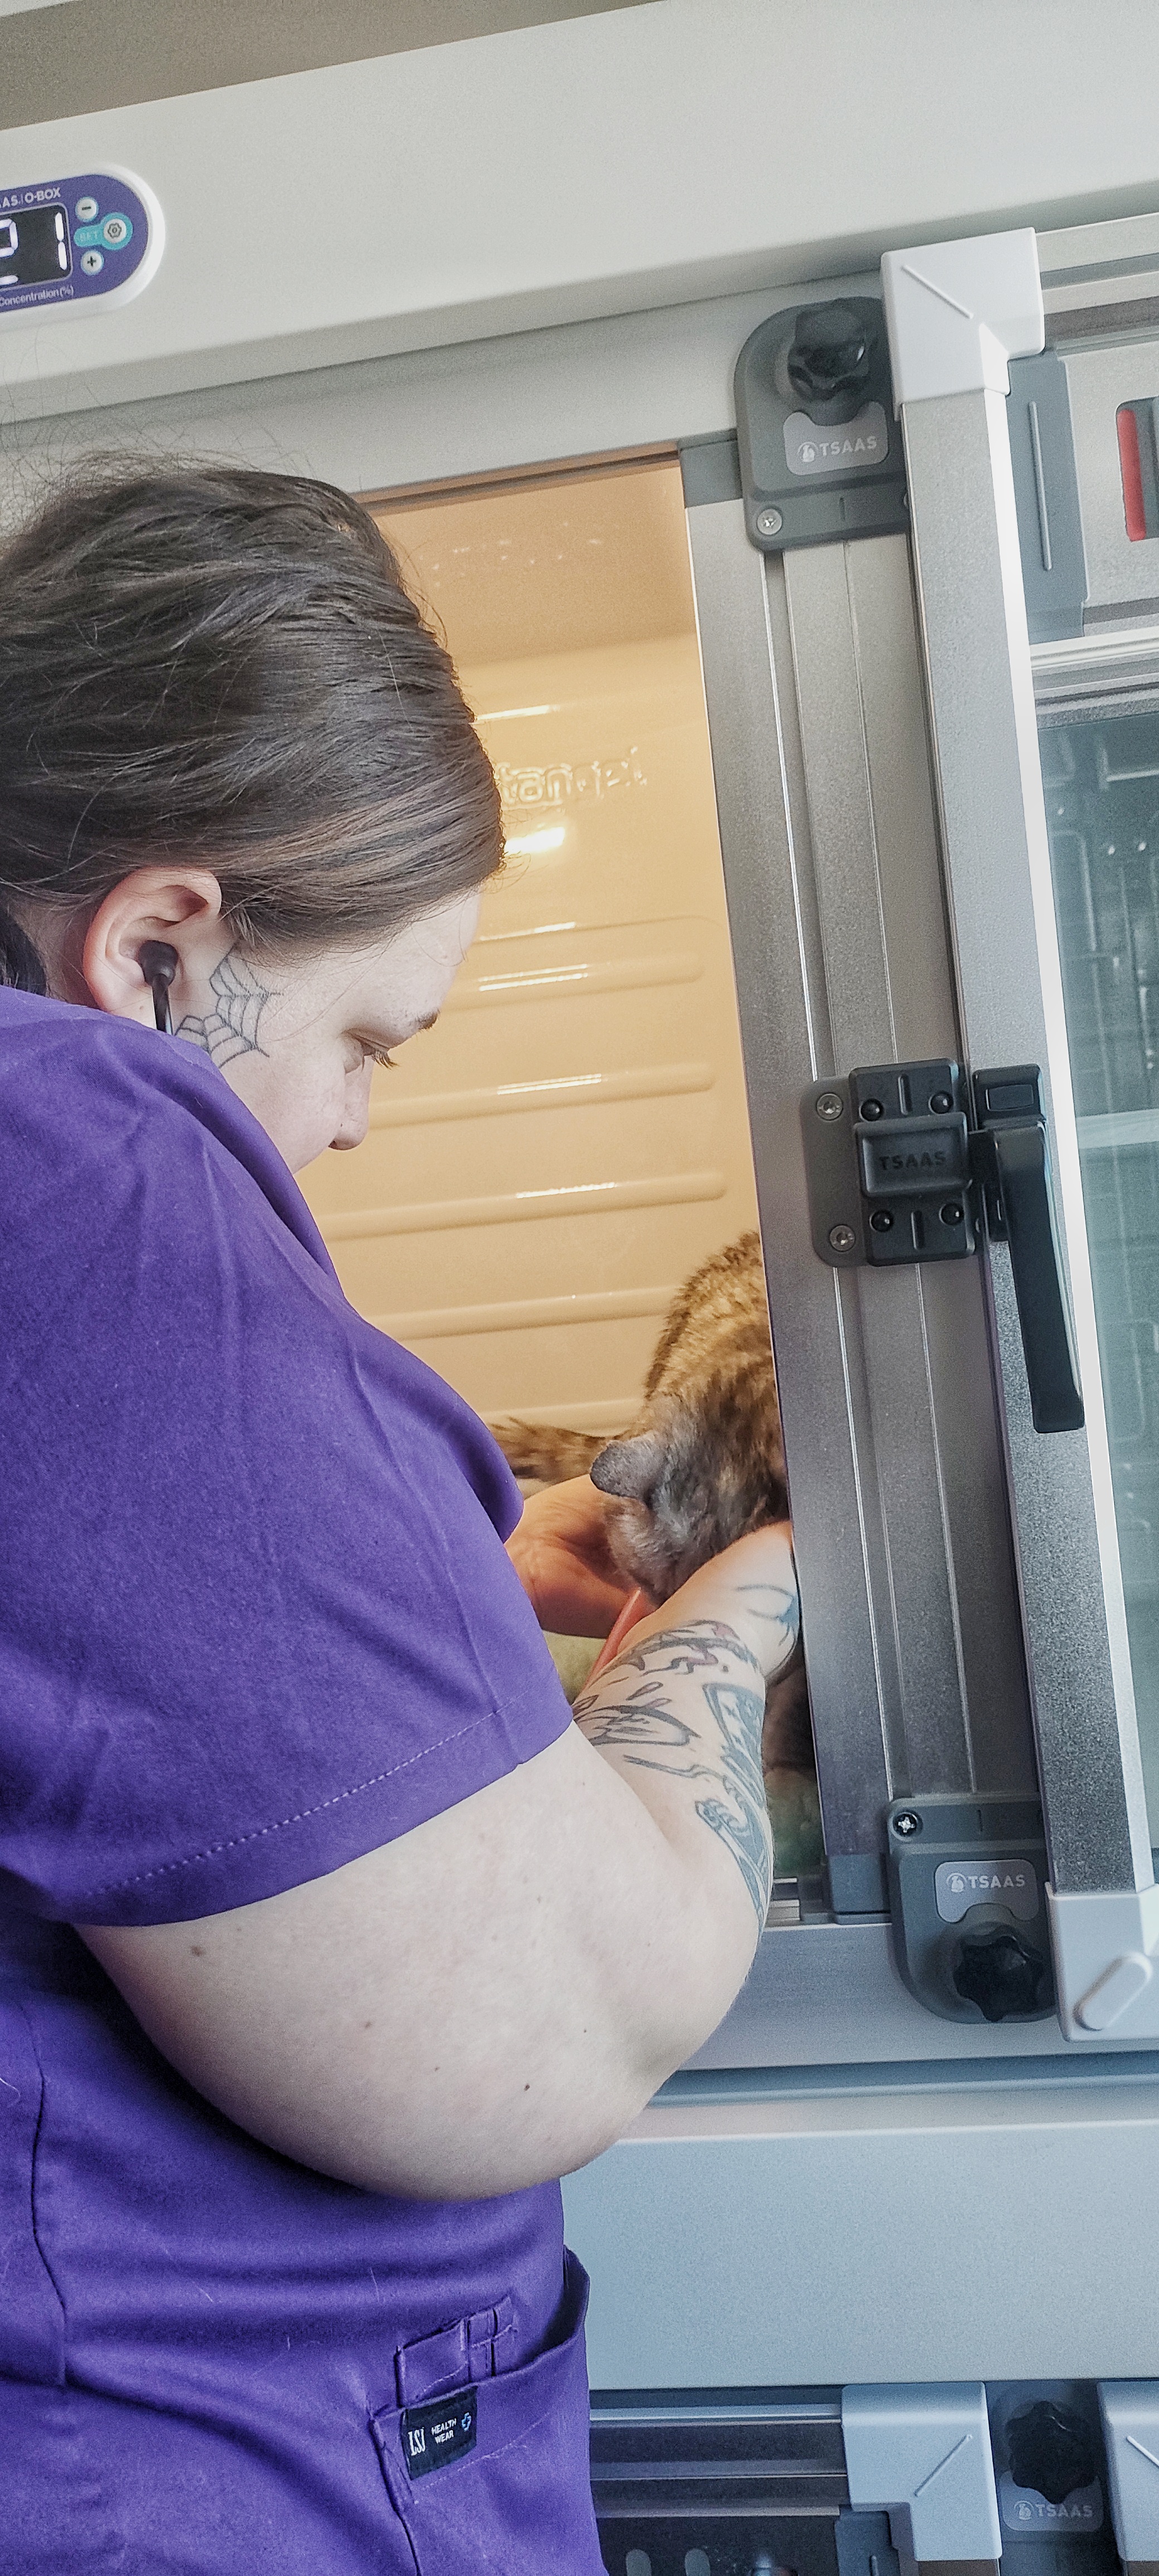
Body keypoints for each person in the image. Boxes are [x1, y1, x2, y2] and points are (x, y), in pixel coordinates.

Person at [0, 464, 799, 2574]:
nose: (349, 1124)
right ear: (162, 946)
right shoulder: (76, 1155)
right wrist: (742, 1606)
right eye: (367, 1036)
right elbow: (554, 2034)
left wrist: (442, 1586)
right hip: (166, 2486)